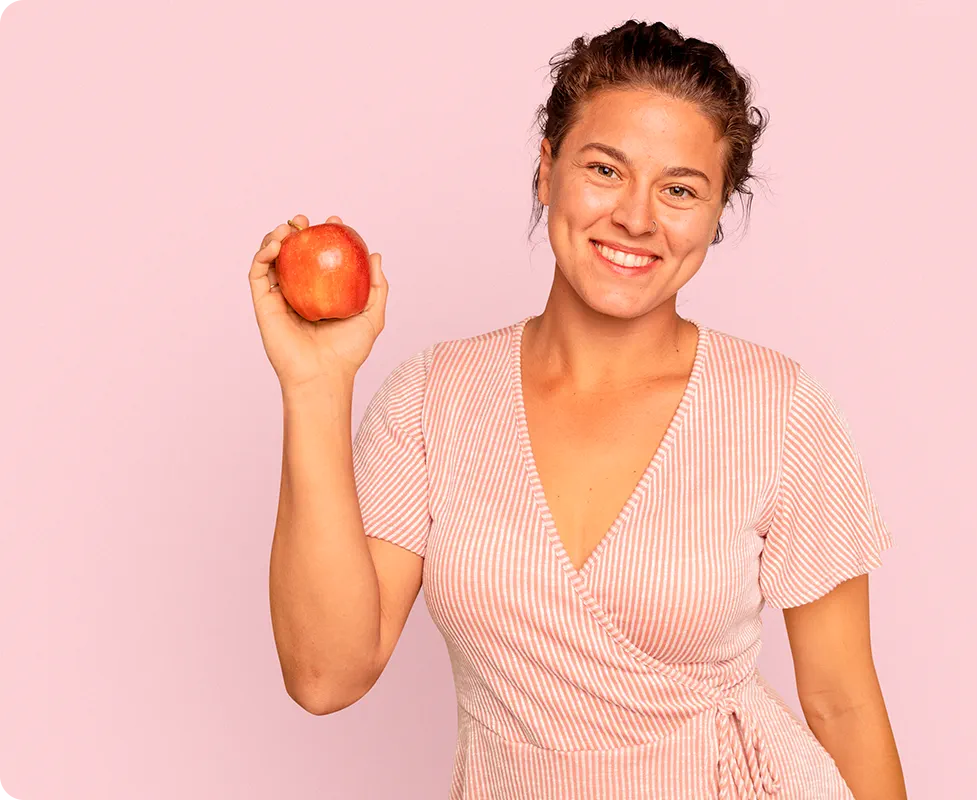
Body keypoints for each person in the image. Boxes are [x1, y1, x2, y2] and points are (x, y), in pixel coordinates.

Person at [250, 19, 905, 800]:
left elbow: (843, 703)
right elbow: (325, 675)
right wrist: (316, 385)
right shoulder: (432, 399)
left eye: (680, 190)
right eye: (605, 169)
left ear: (715, 215)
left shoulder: (780, 410)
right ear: (546, 170)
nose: (636, 217)